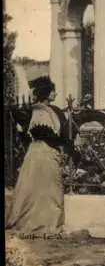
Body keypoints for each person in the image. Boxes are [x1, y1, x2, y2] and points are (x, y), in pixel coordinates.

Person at [6, 76, 80, 236]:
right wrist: (62, 144)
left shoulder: (39, 110)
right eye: (53, 91)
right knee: (47, 189)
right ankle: (45, 224)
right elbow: (42, 132)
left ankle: (43, 223)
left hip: (36, 152)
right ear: (47, 93)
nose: (56, 93)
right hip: (44, 152)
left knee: (38, 189)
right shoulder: (40, 110)